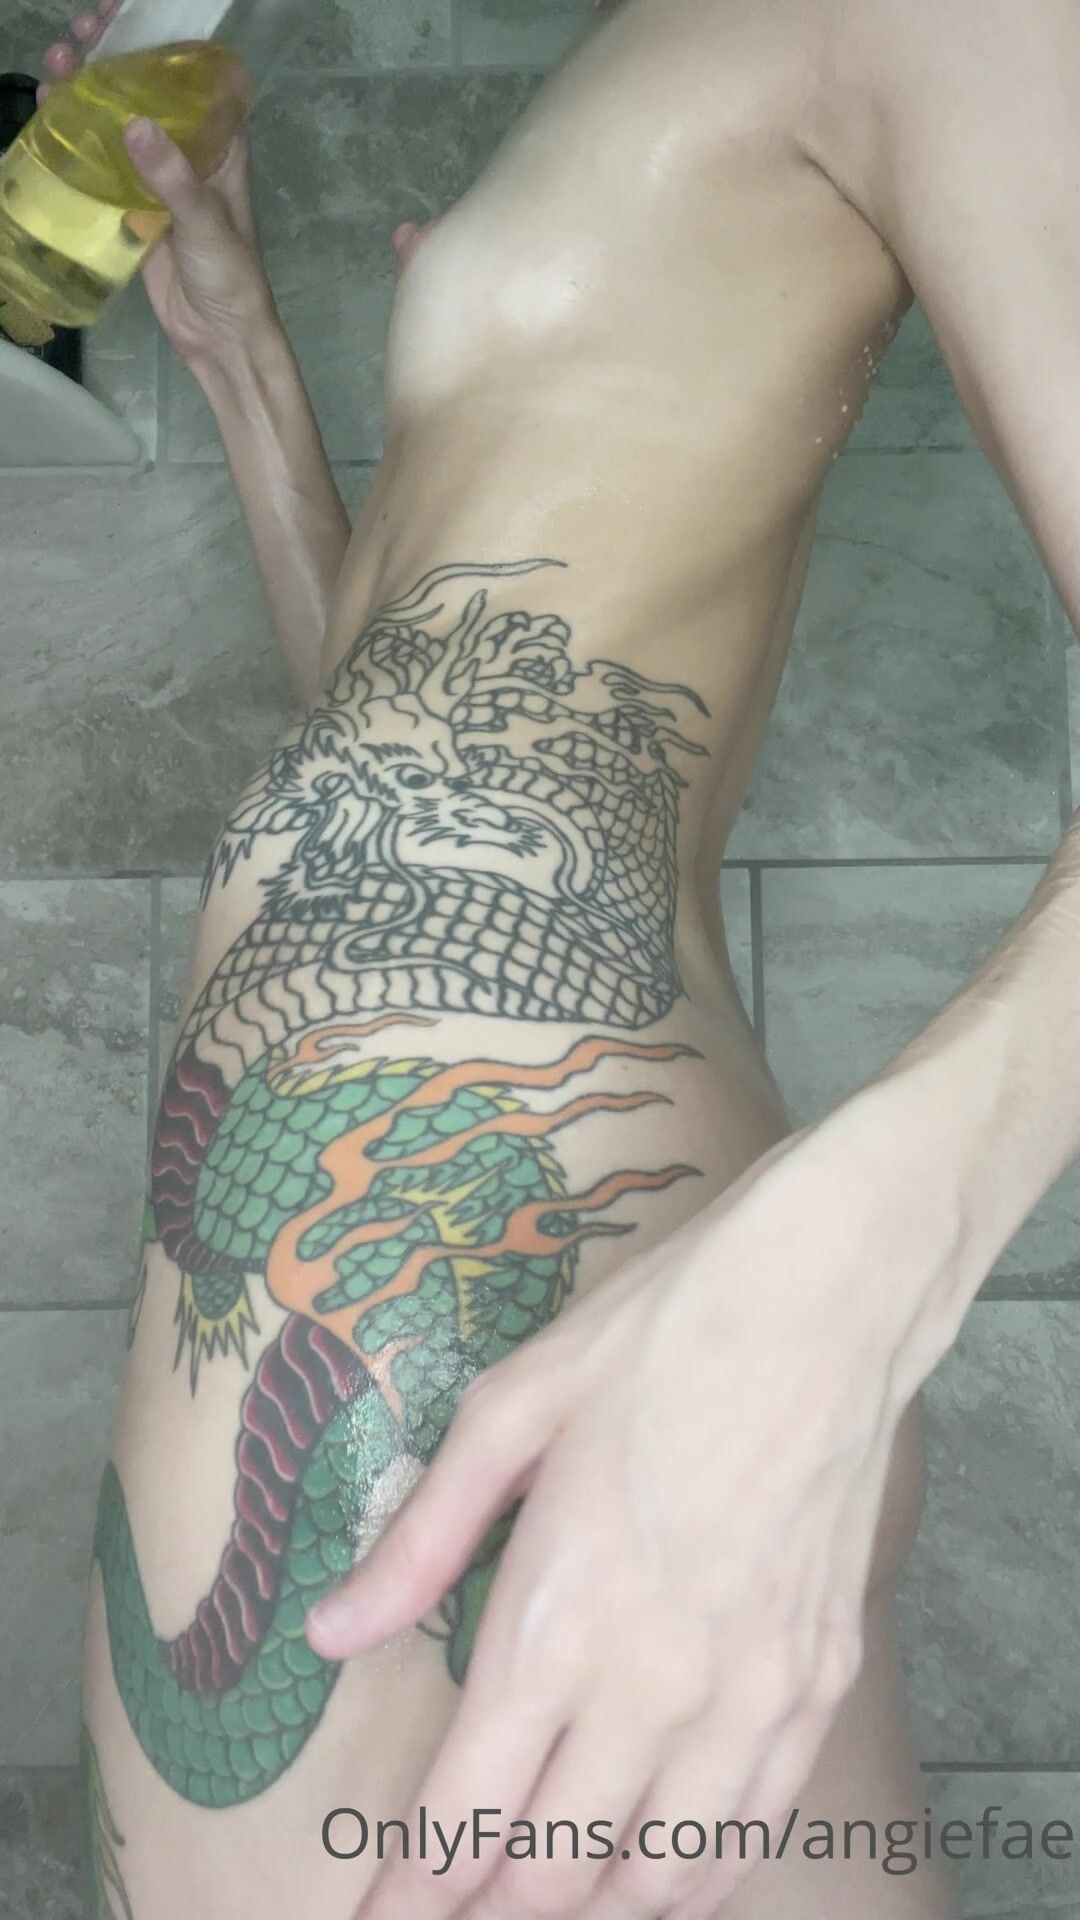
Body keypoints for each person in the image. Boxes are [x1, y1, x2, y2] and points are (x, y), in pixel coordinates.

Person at [54, 0, 1080, 1915]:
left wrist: (842, 1286)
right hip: (397, 1304)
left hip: (533, 1345)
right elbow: (422, 741)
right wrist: (241, 358)